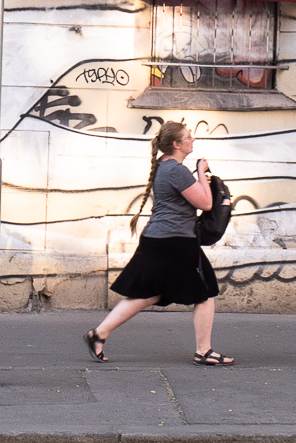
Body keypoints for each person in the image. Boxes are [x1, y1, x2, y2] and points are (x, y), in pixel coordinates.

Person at [88, 120, 232, 365]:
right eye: (188, 137)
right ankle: (203, 351)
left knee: (150, 293)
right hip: (175, 241)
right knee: (206, 292)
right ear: (176, 144)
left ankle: (98, 334)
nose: (193, 140)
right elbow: (206, 204)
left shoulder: (165, 166)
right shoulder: (176, 170)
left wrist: (199, 179)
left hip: (159, 240)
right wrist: (201, 172)